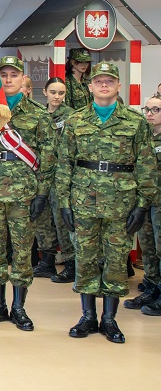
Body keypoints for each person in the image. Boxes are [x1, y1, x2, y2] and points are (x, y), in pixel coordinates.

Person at [55, 62, 156, 343]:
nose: (103, 84)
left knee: (116, 259)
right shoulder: (75, 120)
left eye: (109, 81)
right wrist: (63, 202)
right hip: (83, 199)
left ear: (118, 86)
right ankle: (87, 316)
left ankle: (109, 319)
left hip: (121, 202)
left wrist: (143, 204)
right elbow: (64, 163)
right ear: (90, 86)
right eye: (98, 80)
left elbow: (146, 164)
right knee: (85, 257)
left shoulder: (135, 121)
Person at [0, 57, 53, 331]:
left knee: (22, 250)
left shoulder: (38, 114)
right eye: (3, 74)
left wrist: (42, 194)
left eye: (13, 75)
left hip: (23, 193)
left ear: (23, 79)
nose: (8, 79)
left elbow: (48, 157)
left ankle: (18, 307)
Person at [33, 77, 76, 284]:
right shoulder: (39, 115)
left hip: (61, 174)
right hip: (42, 173)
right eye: (53, 92)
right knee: (42, 218)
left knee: (62, 220)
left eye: (61, 93)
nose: (57, 97)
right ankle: (47, 260)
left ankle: (71, 263)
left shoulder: (71, 116)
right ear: (45, 92)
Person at [133, 95, 161, 316]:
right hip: (145, 200)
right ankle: (152, 286)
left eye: (156, 110)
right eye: (147, 109)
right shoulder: (143, 137)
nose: (150, 114)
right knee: (147, 246)